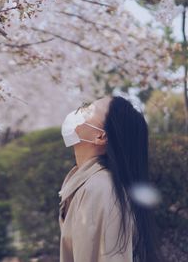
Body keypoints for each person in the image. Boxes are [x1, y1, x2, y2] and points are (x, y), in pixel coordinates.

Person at [58, 96, 161, 262]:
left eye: (89, 109)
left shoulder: (101, 190)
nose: (79, 111)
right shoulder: (86, 182)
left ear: (100, 137)